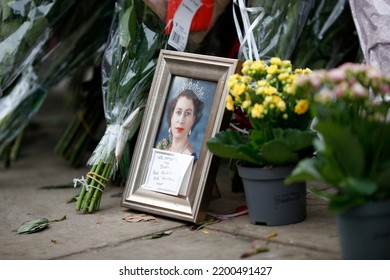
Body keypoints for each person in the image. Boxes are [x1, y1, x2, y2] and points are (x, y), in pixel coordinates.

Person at [156, 81, 205, 160]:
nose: (181, 120)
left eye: (187, 113)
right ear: (171, 115)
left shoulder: (191, 158)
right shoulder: (162, 151)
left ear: (193, 120)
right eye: (178, 112)